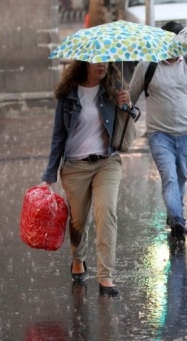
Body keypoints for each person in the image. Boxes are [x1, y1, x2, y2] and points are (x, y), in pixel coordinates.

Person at [41, 60, 130, 297]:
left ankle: (106, 277)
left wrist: (126, 107)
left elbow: (126, 128)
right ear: (85, 64)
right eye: (96, 62)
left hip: (107, 162)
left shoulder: (113, 87)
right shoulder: (68, 93)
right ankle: (78, 258)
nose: (102, 66)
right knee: (78, 221)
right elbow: (58, 135)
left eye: (106, 61)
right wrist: (49, 176)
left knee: (106, 212)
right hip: (75, 167)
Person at [119, 21, 187, 243]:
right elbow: (132, 96)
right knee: (169, 177)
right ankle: (178, 220)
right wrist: (124, 102)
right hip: (159, 135)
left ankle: (175, 216)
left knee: (181, 177)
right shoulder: (147, 66)